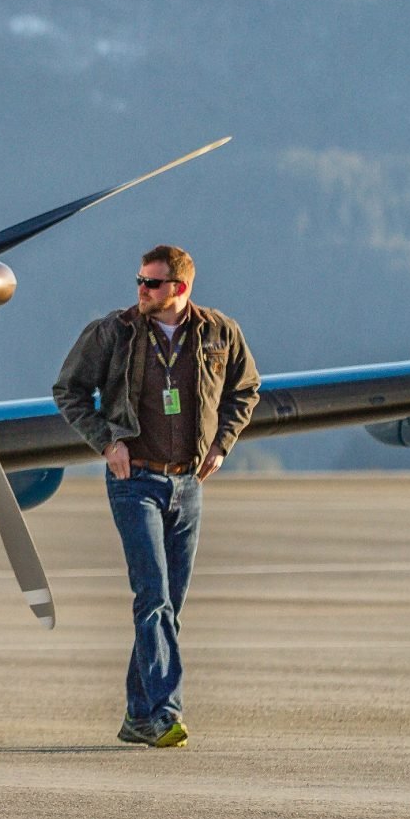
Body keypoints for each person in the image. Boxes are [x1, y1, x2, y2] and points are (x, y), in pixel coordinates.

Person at [52, 244, 260, 748]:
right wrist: (107, 442)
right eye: (139, 281)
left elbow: (246, 389)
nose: (140, 290)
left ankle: (137, 715)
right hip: (134, 483)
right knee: (152, 600)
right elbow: (68, 391)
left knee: (170, 606)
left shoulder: (219, 333)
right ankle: (167, 714)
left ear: (179, 289)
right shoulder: (113, 332)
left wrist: (222, 444)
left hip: (188, 484)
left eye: (151, 283)